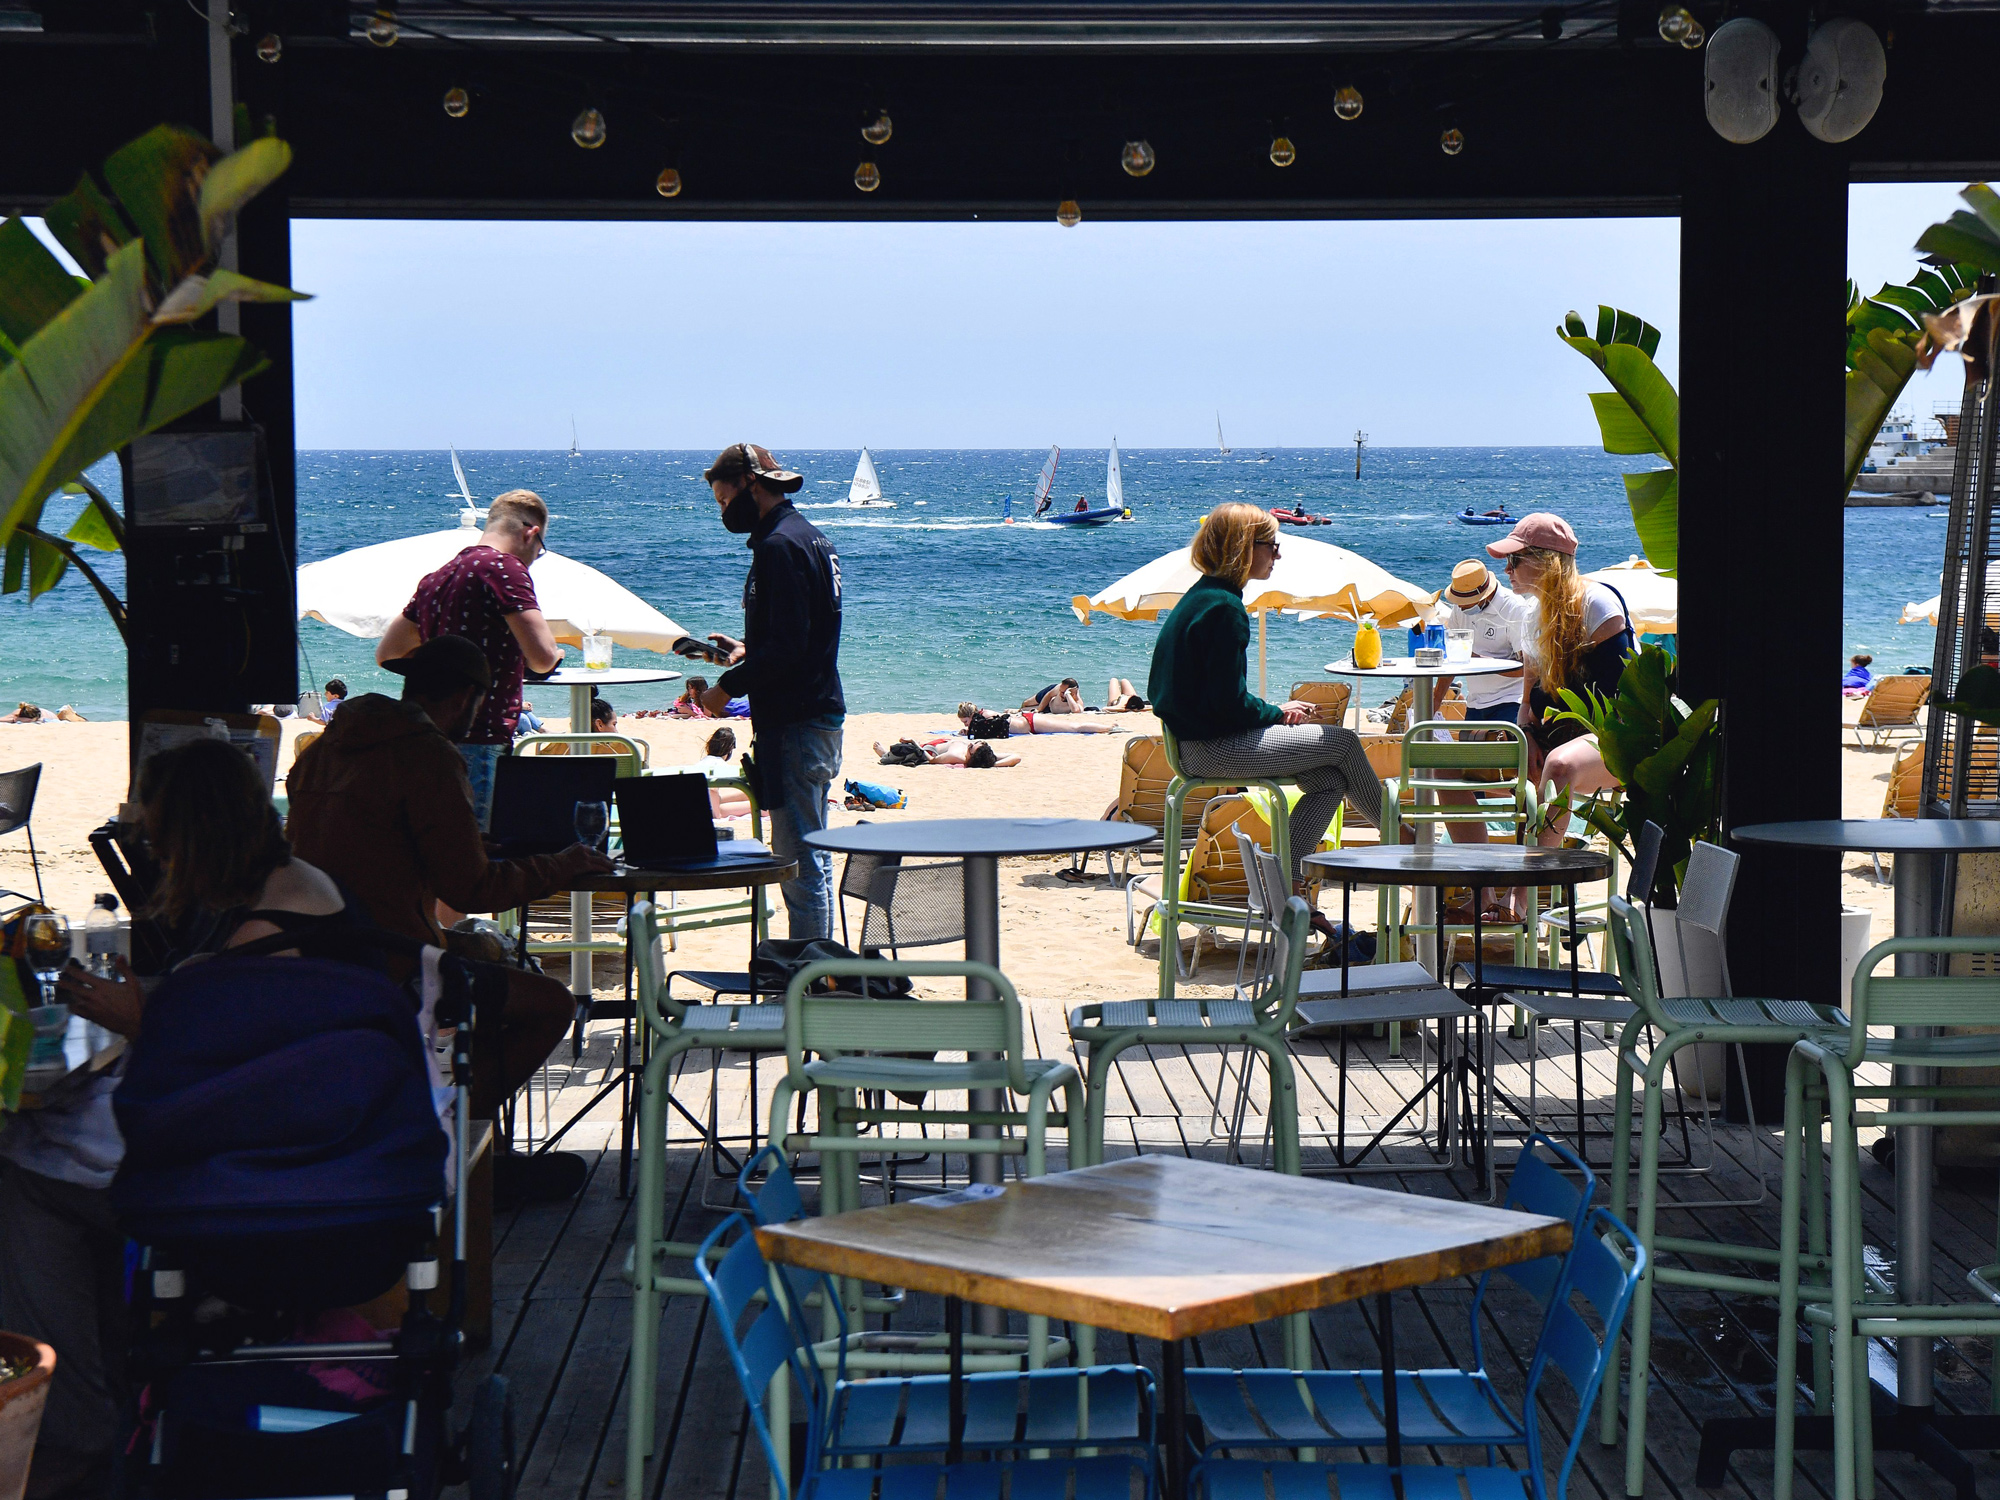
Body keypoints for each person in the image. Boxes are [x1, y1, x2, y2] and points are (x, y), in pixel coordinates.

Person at [2, 738, 364, 1500]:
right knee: (55, 1155)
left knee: (28, 1171)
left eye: (158, 837)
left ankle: (75, 1429)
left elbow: (221, 1075)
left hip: (245, 1177)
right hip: (322, 1151)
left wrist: (141, 1020)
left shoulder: (266, 935)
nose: (154, 852)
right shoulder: (304, 892)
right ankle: (111, 1384)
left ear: (192, 833)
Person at [285, 635, 613, 1197]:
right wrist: (561, 864)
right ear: (466, 698)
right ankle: (462, 1150)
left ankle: (483, 1149)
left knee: (489, 967)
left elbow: (373, 841)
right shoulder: (426, 754)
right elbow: (472, 888)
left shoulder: (326, 749)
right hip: (391, 963)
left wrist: (472, 844)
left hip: (317, 953)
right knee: (547, 1004)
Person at [1147, 503, 1382, 906]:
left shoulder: (1199, 599)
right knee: (1343, 742)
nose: (1278, 554)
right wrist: (1275, 713)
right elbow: (1228, 705)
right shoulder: (1224, 609)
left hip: (1193, 745)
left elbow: (1203, 696)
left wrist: (1272, 711)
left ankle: (1285, 886)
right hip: (1213, 749)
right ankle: (1403, 839)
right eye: (1271, 544)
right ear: (1243, 546)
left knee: (1329, 780)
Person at [696, 444, 846, 939]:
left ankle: (812, 968)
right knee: (812, 854)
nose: (723, 511)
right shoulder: (810, 537)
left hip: (795, 721)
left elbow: (787, 648)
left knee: (798, 861)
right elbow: (802, 632)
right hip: (819, 714)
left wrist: (725, 688)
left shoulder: (779, 546)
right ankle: (819, 961)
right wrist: (747, 650)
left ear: (751, 483)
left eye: (724, 500)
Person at [377, 489, 562, 829]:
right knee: (474, 849)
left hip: (430, 740)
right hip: (482, 737)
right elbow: (543, 658)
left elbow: (388, 653)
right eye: (539, 552)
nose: (533, 560)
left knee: (439, 847)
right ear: (531, 533)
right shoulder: (506, 569)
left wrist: (448, 660)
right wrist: (554, 653)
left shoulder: (437, 578)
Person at [1487, 512, 1630, 846]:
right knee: (1444, 762)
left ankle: (1533, 878)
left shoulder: (1596, 605)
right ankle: (1474, 874)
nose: (1506, 570)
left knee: (1560, 765)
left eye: (1514, 560)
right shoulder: (1532, 616)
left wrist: (1549, 744)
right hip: (1551, 737)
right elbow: (1527, 705)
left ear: (1547, 562)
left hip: (1613, 740)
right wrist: (1527, 735)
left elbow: (1619, 701)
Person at [956, 702, 1118, 736]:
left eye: (966, 721)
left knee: (1074, 728)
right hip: (1027, 720)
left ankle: (1108, 728)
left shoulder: (985, 717)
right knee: (1072, 726)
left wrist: (969, 731)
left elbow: (993, 728)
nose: (967, 725)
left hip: (1029, 723)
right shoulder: (983, 715)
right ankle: (1106, 727)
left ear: (971, 716)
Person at [874, 737, 1023, 768]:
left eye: (972, 746)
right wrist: (991, 764)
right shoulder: (985, 756)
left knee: (907, 749)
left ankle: (886, 755)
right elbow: (1016, 757)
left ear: (973, 754)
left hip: (930, 750)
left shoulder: (957, 756)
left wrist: (914, 742)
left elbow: (931, 760)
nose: (971, 743)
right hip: (942, 742)